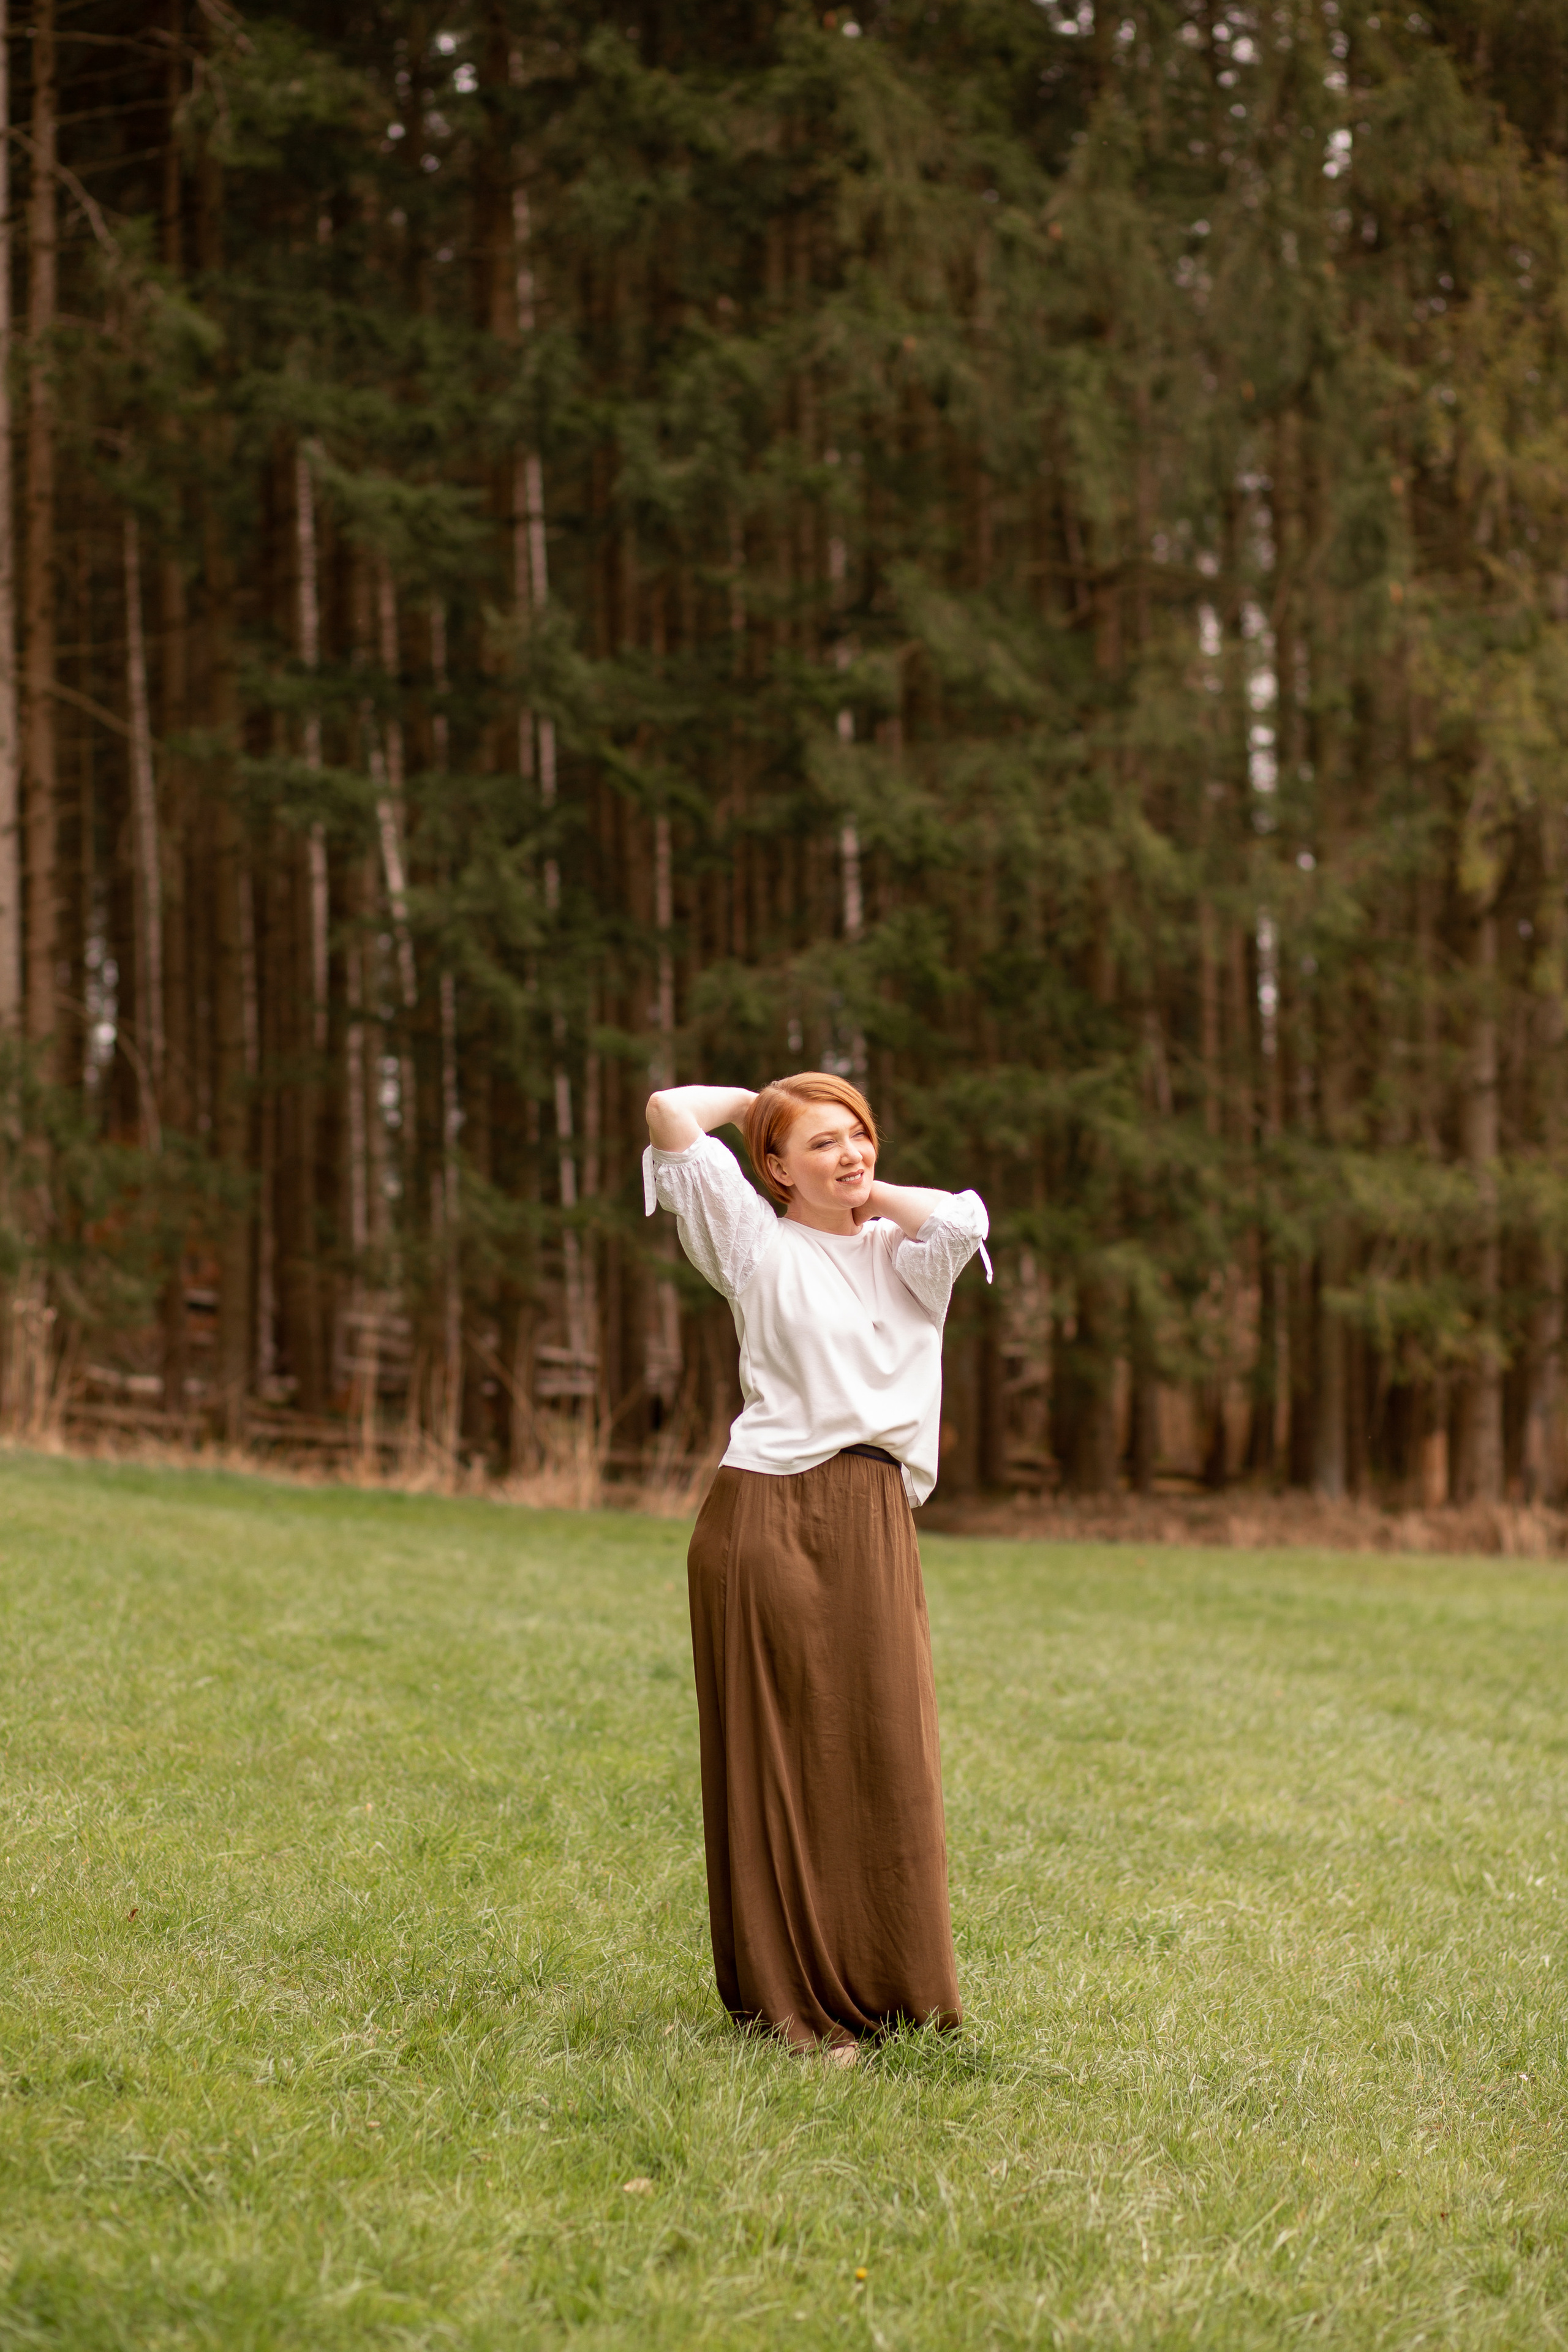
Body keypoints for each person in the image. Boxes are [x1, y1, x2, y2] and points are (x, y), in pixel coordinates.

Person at [643, 1071, 990, 2063]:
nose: (849, 1154)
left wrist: (861, 1189)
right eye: (823, 1145)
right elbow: (671, 1115)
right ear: (775, 1171)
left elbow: (964, 1220)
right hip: (769, 1511)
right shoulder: (755, 1246)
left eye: (859, 1137)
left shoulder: (907, 1260)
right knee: (785, 1759)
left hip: (876, 1516)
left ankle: (891, 1993)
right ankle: (796, 2012)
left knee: (886, 1749)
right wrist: (760, 1101)